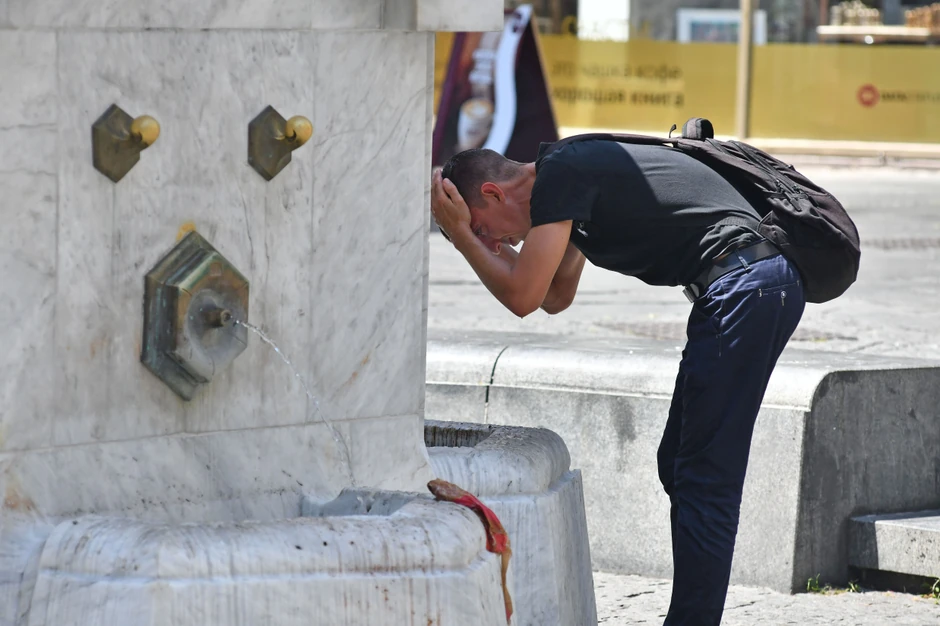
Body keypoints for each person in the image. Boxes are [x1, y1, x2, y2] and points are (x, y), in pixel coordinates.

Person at [430, 138, 805, 626]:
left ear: (494, 193)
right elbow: (554, 296)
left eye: (485, 230)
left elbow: (523, 295)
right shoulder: (565, 183)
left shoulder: (560, 175)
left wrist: (462, 239)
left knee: (703, 477)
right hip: (747, 286)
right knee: (680, 464)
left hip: (746, 285)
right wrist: (470, 233)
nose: (496, 246)